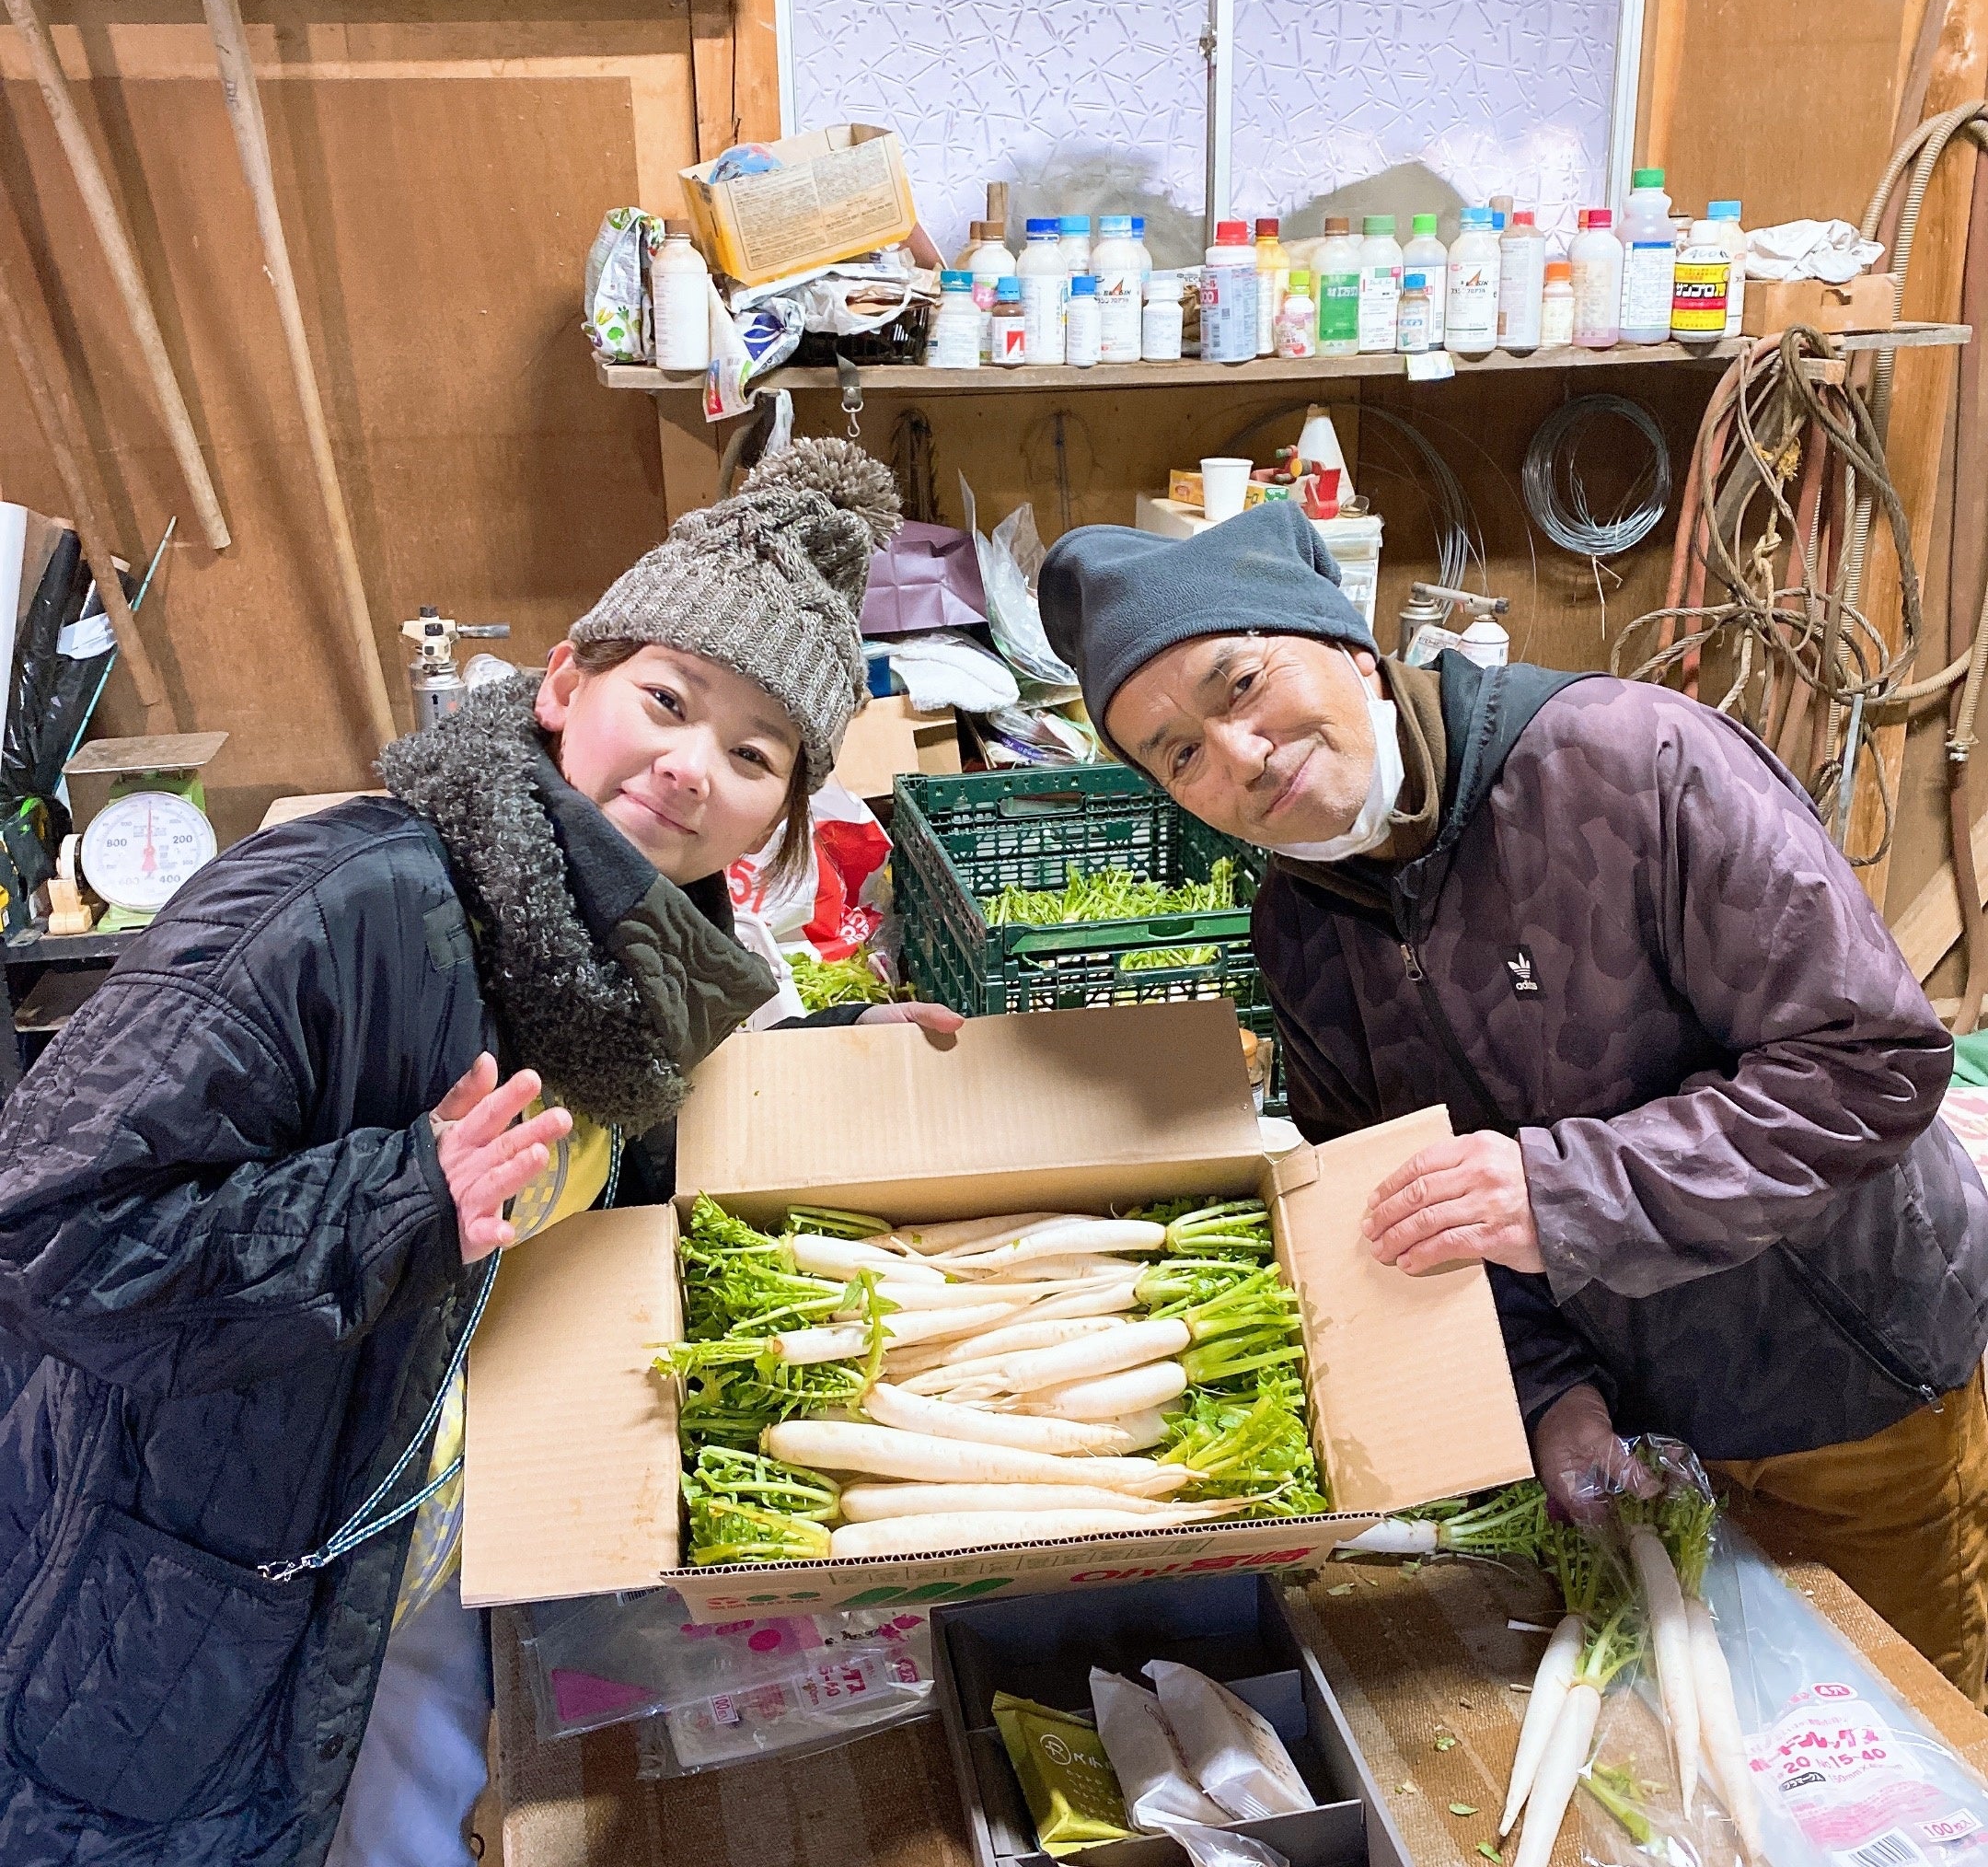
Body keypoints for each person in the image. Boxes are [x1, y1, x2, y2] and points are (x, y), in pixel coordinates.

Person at [0, 437, 959, 1866]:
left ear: (774, 823)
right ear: (566, 682)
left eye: (752, 754)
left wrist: (842, 1059)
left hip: (425, 1559)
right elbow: (51, 1234)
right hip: (189, 1596)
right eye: (668, 700)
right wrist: (399, 1197)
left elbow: (611, 1162)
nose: (693, 768)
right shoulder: (343, 899)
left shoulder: (636, 966)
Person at [1041, 498, 1988, 1701]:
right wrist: (1552, 1393)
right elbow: (1411, 1207)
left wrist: (1559, 1188)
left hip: (1846, 1381)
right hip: (1644, 1422)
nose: (1236, 756)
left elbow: (1872, 1063)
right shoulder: (1303, 928)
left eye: (1239, 685)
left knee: (1906, 1734)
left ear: (1340, 643)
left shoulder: (1631, 762)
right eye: (1177, 753)